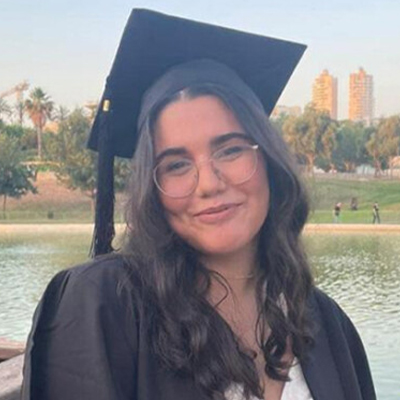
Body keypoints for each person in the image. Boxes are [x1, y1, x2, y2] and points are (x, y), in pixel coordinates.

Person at [21, 9, 376, 400]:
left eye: (231, 150)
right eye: (176, 165)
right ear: (151, 188)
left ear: (269, 161)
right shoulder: (104, 305)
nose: (208, 183)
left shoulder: (326, 324)